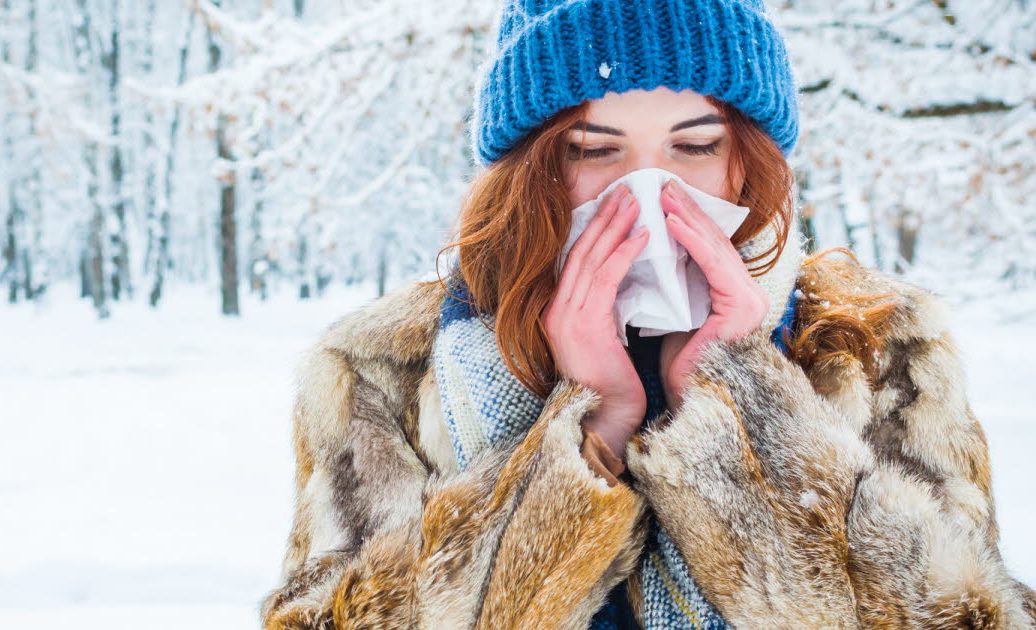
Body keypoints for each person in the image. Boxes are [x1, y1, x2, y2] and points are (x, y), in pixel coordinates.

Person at [259, 0, 1036, 628]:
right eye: (593, 152)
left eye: (694, 145)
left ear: (747, 162)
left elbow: (966, 615)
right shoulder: (382, 372)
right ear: (531, 173)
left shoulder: (879, 351)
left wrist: (742, 407)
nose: (649, 195)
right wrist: (589, 439)